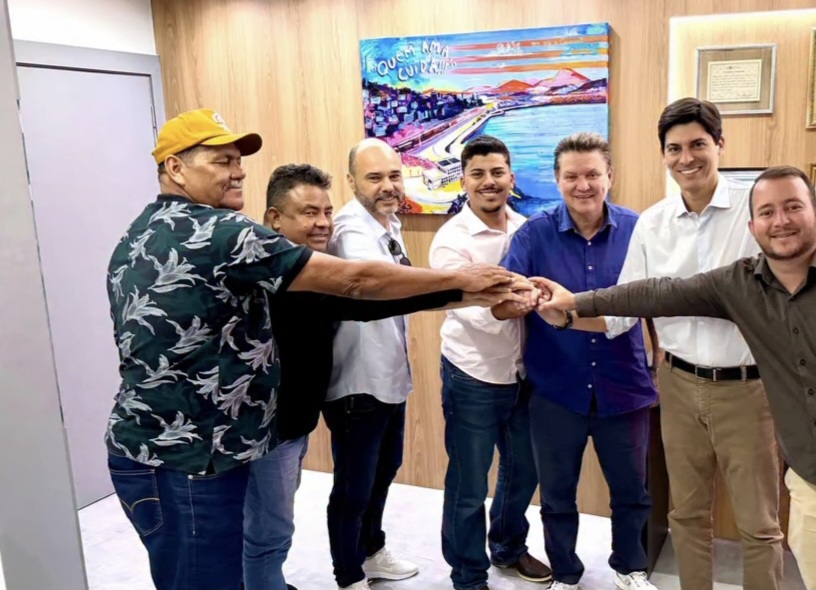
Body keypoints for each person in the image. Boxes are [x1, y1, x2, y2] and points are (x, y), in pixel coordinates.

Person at [105, 109, 521, 590]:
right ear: (176, 168)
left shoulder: (141, 229)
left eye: (238, 160)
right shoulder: (222, 233)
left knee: (214, 563)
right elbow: (355, 282)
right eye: (222, 161)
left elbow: (348, 302)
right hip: (193, 460)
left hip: (146, 452)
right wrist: (460, 280)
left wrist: (466, 294)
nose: (238, 171)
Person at [537, 165, 816, 590]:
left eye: (793, 207)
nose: (780, 221)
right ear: (752, 227)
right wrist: (574, 303)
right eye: (767, 212)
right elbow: (656, 292)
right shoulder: (739, 284)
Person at [242, 163, 510, 590]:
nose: (323, 223)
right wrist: (463, 285)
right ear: (275, 218)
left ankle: (303, 571)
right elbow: (365, 292)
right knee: (275, 525)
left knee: (304, 509)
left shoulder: (319, 259)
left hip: (301, 414)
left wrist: (469, 294)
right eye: (309, 213)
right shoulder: (282, 269)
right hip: (276, 418)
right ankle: (337, 576)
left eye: (325, 212)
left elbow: (376, 301)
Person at [597, 99, 782, 590]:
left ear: (720, 145)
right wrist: (565, 308)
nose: (687, 158)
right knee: (687, 514)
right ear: (663, 154)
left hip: (749, 388)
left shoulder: (756, 209)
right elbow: (624, 305)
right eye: (674, 148)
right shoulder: (652, 223)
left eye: (698, 144)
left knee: (759, 523)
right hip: (677, 384)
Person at [495, 132, 659, 590]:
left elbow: (658, 297)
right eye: (571, 176)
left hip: (624, 386)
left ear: (610, 176)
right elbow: (503, 302)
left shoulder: (639, 229)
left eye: (592, 174)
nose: (582, 185)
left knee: (632, 492)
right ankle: (566, 573)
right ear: (557, 180)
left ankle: (630, 568)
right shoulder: (534, 233)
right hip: (555, 390)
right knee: (557, 496)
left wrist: (660, 355)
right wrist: (523, 300)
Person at [429, 135, 551, 590]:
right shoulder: (451, 240)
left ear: (511, 177)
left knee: (524, 472)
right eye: (477, 174)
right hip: (472, 375)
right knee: (469, 484)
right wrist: (506, 307)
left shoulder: (527, 228)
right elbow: (466, 307)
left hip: (524, 372)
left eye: (497, 172)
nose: (489, 182)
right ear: (463, 180)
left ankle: (508, 548)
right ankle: (467, 574)